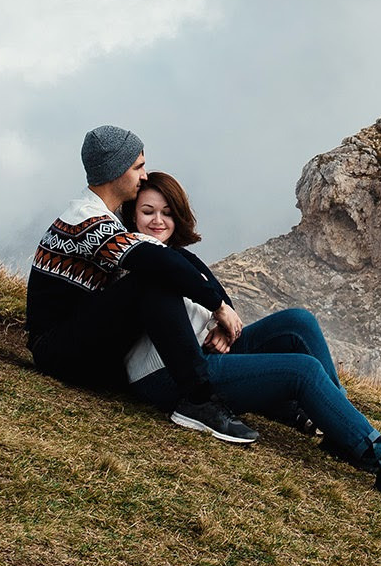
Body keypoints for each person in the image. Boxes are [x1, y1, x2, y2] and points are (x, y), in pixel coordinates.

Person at [121, 170, 381, 508]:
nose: (158, 221)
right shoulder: (138, 253)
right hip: (169, 376)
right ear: (132, 214)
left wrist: (221, 327)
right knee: (302, 371)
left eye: (166, 212)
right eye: (148, 212)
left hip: (202, 354)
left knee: (298, 322)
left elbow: (216, 301)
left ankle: (341, 431)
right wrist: (216, 314)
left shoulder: (181, 257)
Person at [26, 125, 258, 443]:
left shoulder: (102, 219)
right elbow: (159, 262)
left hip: (80, 342)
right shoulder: (89, 223)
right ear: (116, 172)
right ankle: (198, 398)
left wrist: (222, 307)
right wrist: (217, 307)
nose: (145, 176)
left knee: (157, 272)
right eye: (138, 166)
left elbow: (176, 259)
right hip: (58, 353)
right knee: (150, 280)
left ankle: (229, 393)